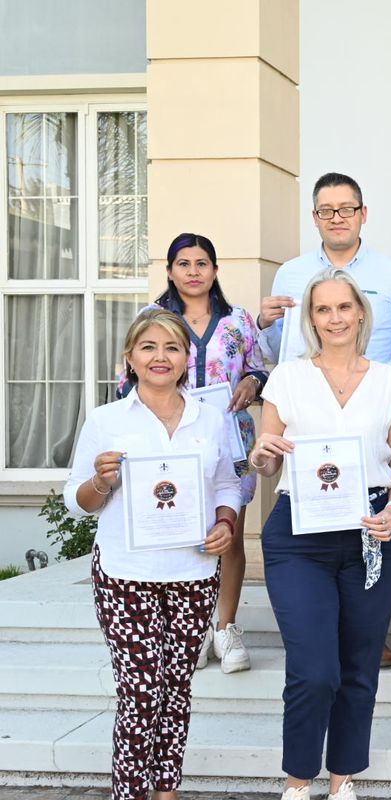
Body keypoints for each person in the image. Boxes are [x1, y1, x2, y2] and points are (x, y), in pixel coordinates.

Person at [249, 268, 391, 800]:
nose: (335, 318)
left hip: (373, 531)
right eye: (323, 309)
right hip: (300, 532)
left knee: (359, 664)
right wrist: (260, 456)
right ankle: (298, 780)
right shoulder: (288, 379)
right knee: (313, 669)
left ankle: (342, 779)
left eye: (345, 307)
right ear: (310, 319)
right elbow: (267, 462)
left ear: (361, 313)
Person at [64, 308, 240, 800]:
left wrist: (225, 522)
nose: (160, 357)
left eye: (172, 348)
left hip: (194, 571)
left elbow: (228, 481)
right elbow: (76, 501)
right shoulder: (106, 420)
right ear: (130, 357)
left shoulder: (210, 417)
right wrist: (101, 481)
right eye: (149, 347)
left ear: (187, 358)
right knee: (140, 691)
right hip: (126, 573)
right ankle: (131, 793)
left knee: (177, 688)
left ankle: (166, 790)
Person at [117, 232, 268, 675]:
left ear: (215, 271)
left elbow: (257, 367)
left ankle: (226, 626)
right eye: (184, 263)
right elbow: (127, 380)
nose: (193, 272)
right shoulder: (152, 318)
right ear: (169, 271)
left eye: (202, 263)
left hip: (229, 438)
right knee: (179, 527)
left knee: (229, 529)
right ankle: (194, 627)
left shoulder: (238, 319)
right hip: (167, 440)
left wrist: (252, 383)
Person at [257, 172, 391, 376]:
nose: (336, 219)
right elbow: (280, 355)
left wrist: (380, 380)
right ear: (315, 218)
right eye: (326, 211)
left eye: (346, 209)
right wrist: (266, 325)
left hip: (374, 401)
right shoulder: (289, 273)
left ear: (363, 214)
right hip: (307, 398)